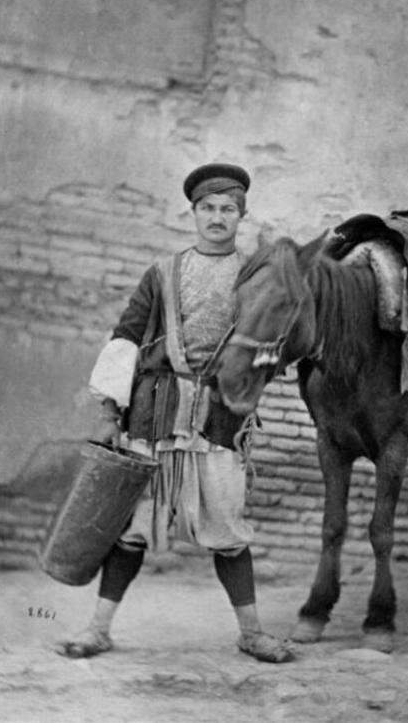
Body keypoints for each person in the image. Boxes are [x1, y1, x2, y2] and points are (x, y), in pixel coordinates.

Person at [56, 163, 294, 663]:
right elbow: (124, 337)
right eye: (207, 208)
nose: (216, 217)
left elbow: (274, 346)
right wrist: (108, 410)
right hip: (154, 416)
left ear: (240, 216)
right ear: (193, 213)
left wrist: (256, 379)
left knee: (228, 530)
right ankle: (98, 629)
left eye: (227, 209)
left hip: (220, 423)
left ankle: (251, 633)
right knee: (132, 529)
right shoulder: (162, 273)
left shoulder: (257, 278)